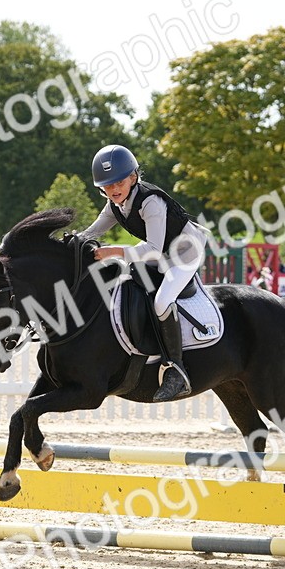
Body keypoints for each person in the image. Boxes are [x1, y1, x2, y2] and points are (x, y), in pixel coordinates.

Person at [81, 144, 207, 401]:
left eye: (119, 182)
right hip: (162, 255)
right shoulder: (114, 204)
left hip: (185, 255)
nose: (113, 189)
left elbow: (152, 250)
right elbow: (92, 232)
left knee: (161, 301)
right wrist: (69, 242)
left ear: (133, 177)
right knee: (129, 281)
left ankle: (176, 370)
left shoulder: (150, 202)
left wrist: (114, 251)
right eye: (107, 185)